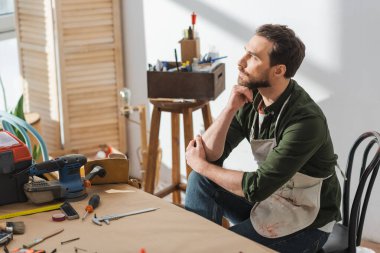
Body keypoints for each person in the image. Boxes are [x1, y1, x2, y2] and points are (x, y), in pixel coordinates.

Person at [185, 24, 341, 253]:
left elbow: (257, 187)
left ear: (278, 70)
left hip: (308, 220)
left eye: (253, 57)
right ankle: (200, 247)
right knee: (200, 179)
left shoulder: (306, 121)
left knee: (221, 246)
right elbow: (208, 155)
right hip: (271, 200)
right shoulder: (251, 98)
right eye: (245, 51)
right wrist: (229, 109)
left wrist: (200, 164)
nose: (240, 61)